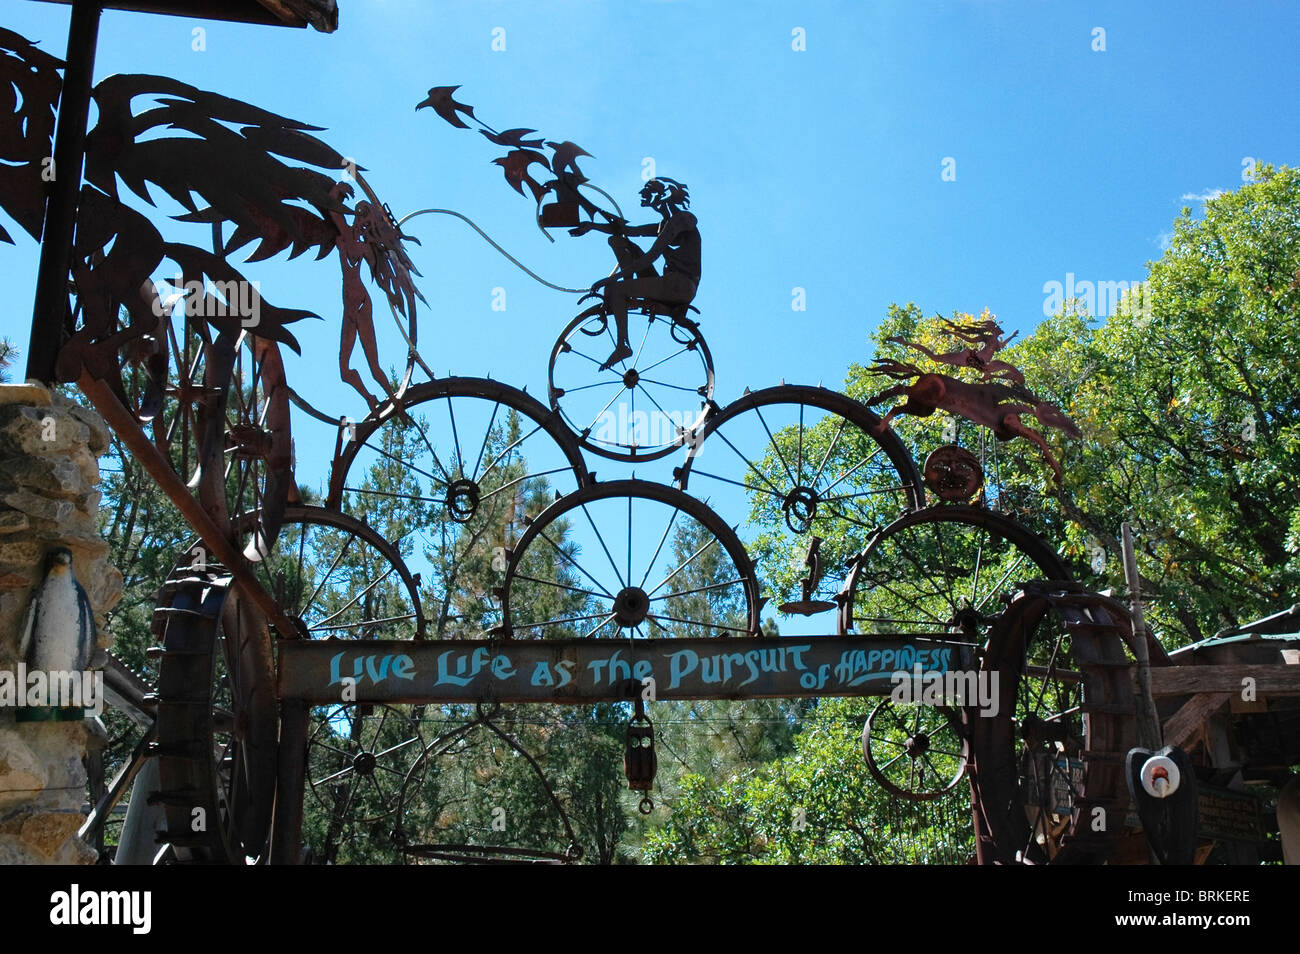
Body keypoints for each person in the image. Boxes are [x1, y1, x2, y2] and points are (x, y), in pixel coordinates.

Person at [569, 177, 700, 369]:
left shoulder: (682, 220)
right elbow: (628, 231)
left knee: (617, 289)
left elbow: (651, 256)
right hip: (669, 282)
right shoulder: (665, 225)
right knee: (619, 242)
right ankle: (624, 293)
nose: (646, 200)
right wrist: (592, 226)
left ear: (665, 195)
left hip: (679, 285)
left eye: (650, 195)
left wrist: (612, 279)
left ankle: (623, 344)